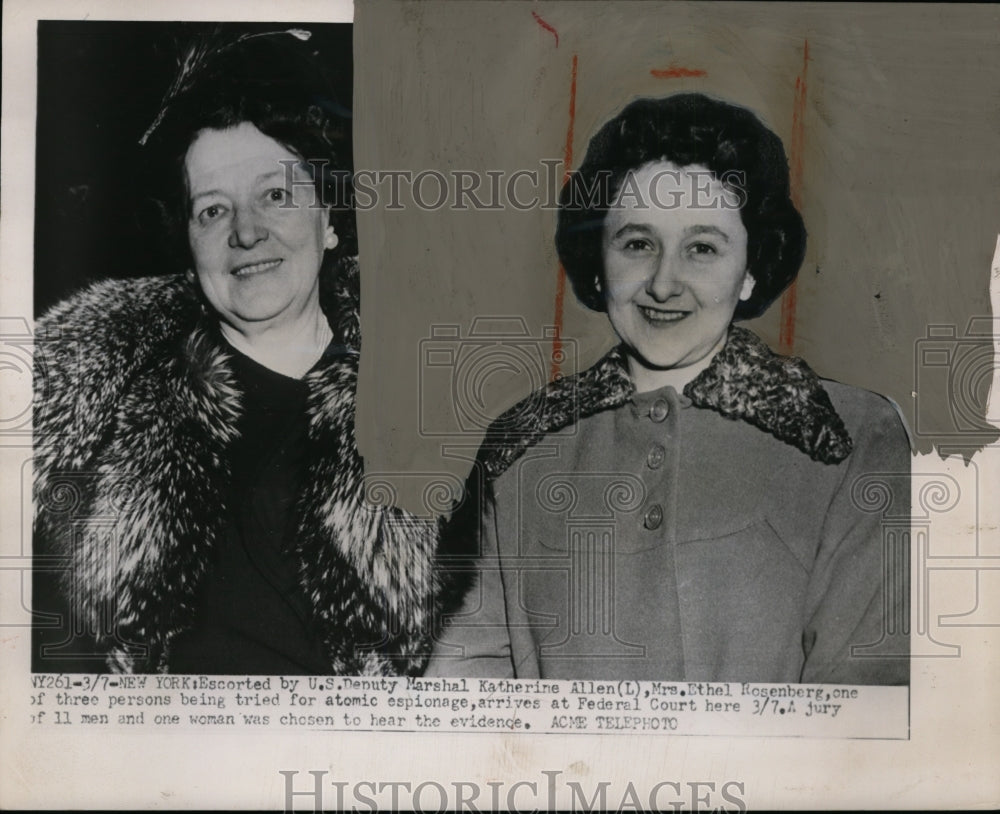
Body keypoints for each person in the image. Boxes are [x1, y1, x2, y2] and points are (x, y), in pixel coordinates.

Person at [428, 93, 911, 684]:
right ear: (599, 261)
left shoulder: (854, 439)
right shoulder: (519, 448)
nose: (663, 283)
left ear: (752, 266)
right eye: (637, 243)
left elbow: (867, 707)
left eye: (702, 249)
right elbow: (465, 685)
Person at [32, 29, 451, 675]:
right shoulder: (88, 403)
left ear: (331, 216)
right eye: (212, 210)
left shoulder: (437, 402)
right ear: (189, 241)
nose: (246, 231)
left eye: (276, 195)